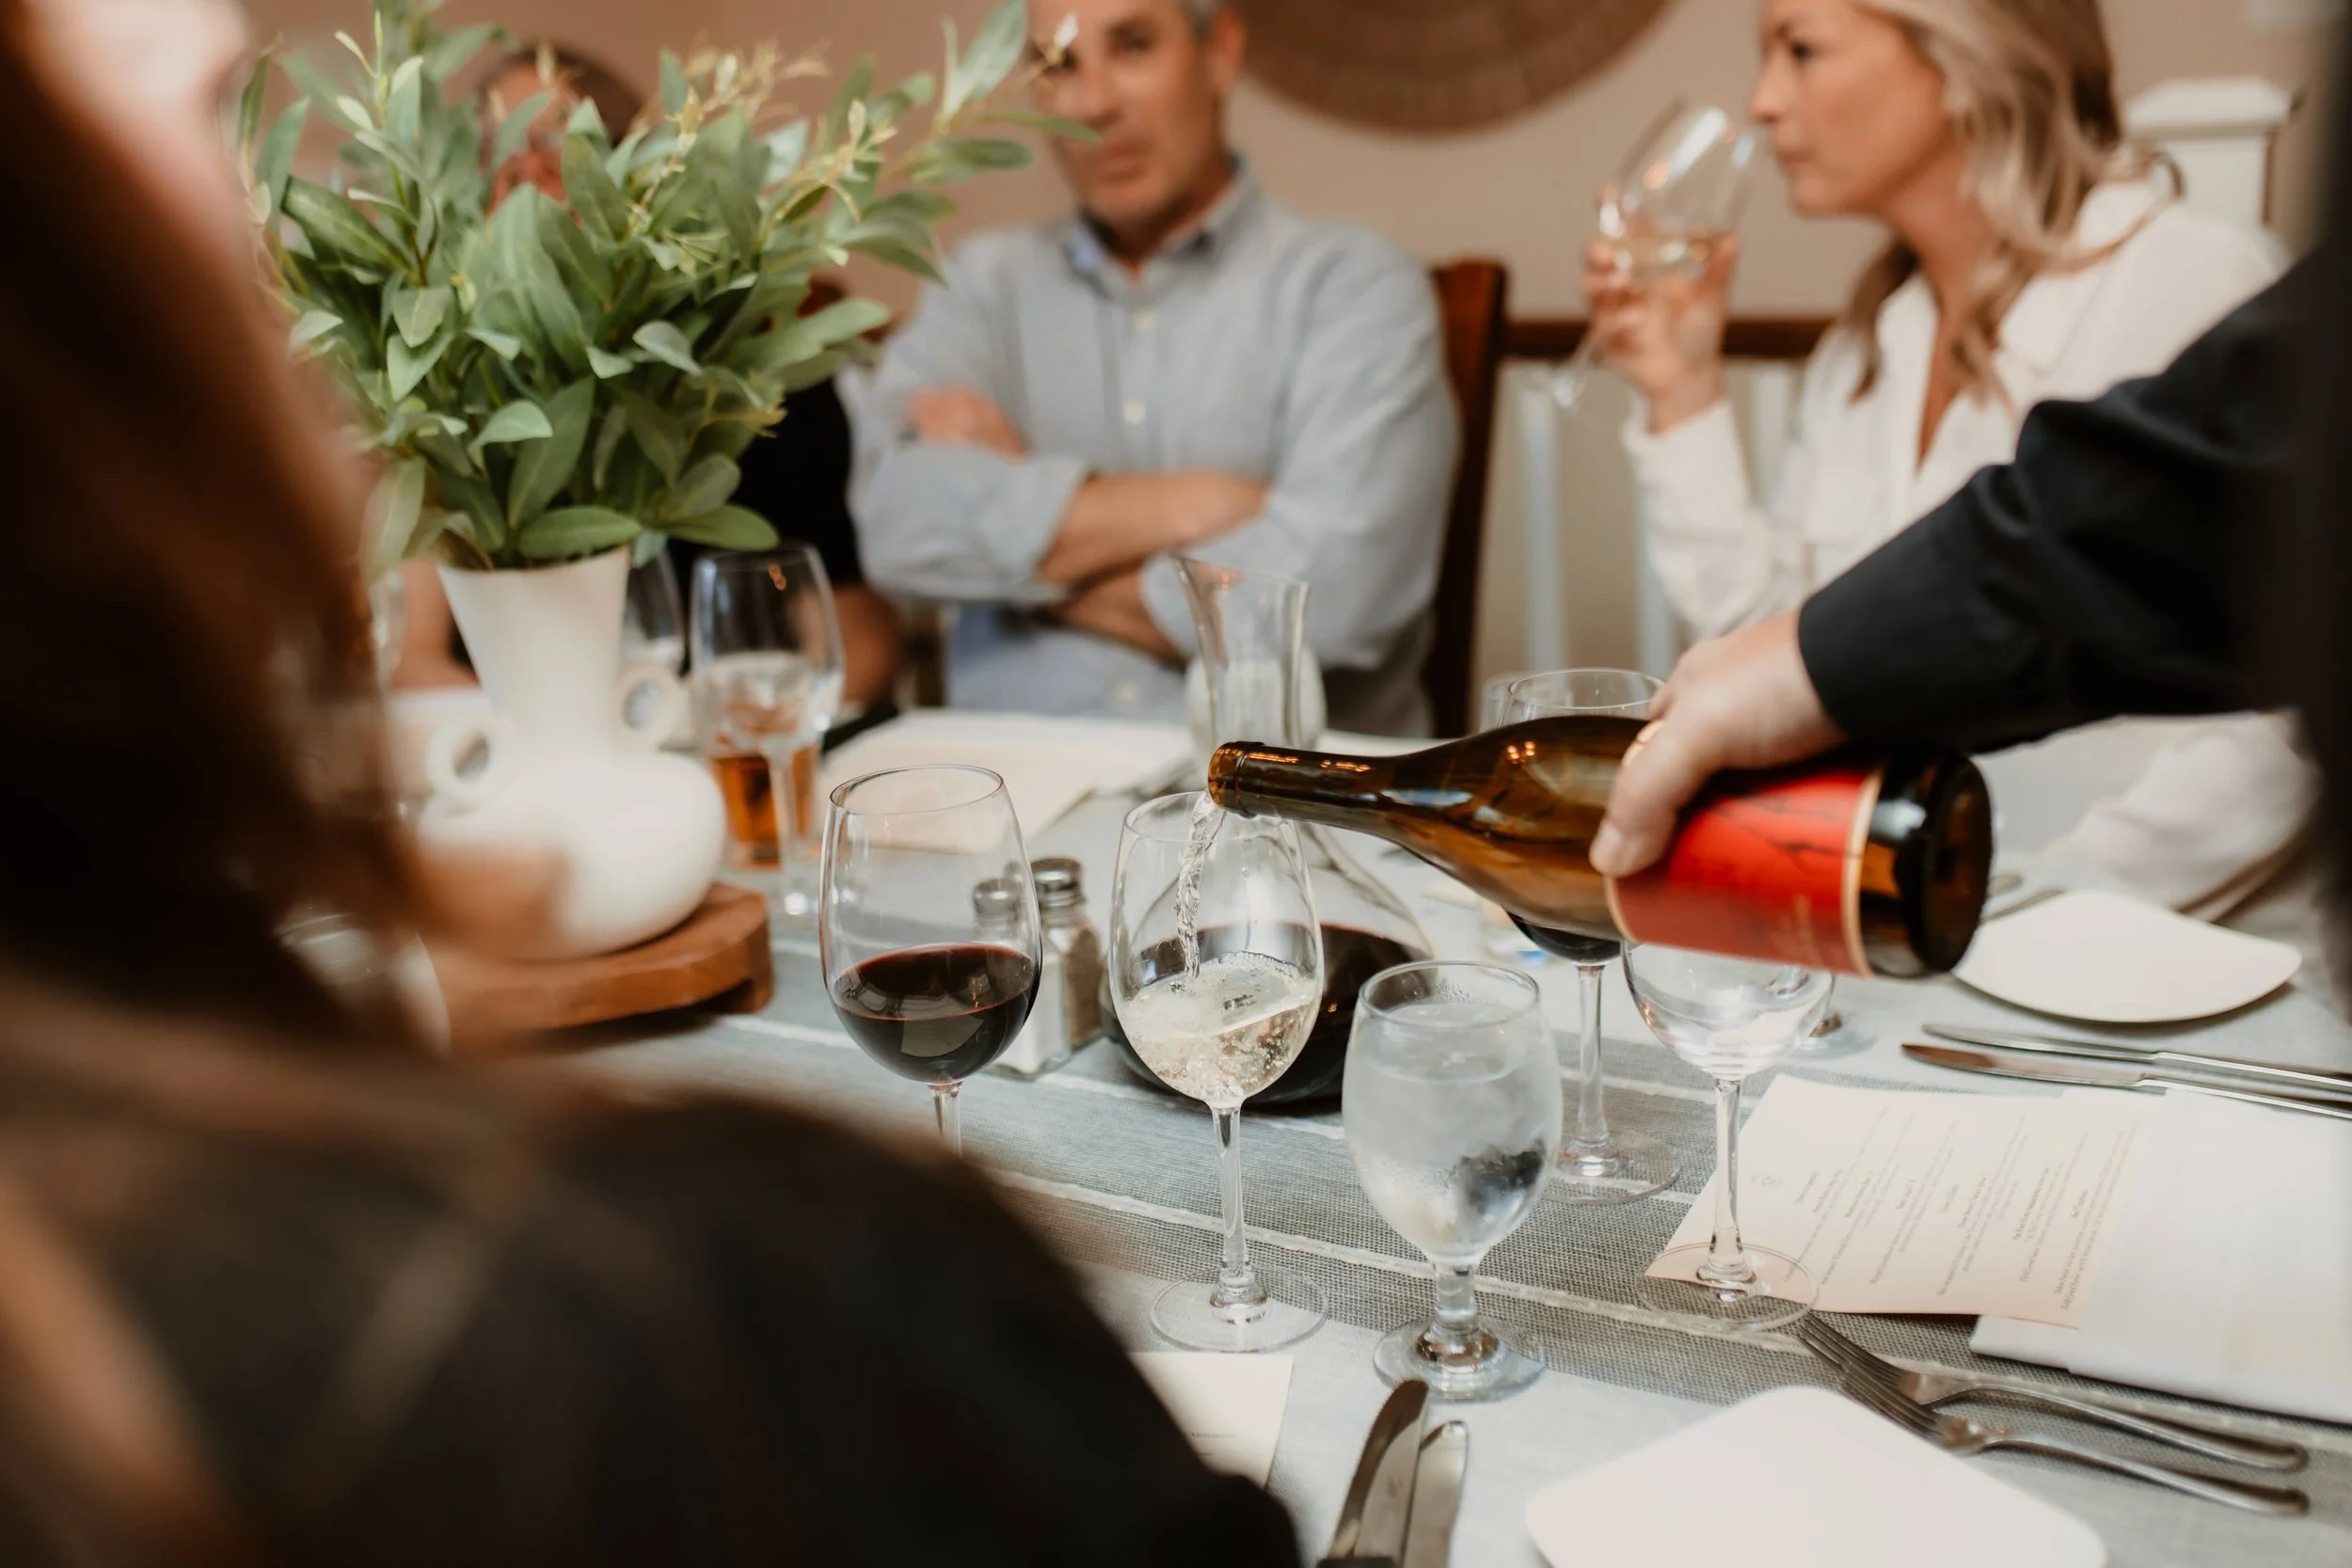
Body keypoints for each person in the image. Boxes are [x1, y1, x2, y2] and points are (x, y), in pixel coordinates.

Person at [0, 5, 1300, 1561]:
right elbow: (919, 526)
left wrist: (1015, 537)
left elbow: (918, 594)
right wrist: (1161, 528)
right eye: (221, 116)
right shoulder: (771, 1306)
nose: (298, 239)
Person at [1583, 0, 2312, 942]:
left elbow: (2283, 726)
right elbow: (1777, 664)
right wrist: (1680, 393)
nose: (1763, 101)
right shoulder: (1870, 341)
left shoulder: (2192, 284)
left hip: (2166, 968)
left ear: (1965, 55)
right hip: (1918, 947)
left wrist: (2018, 904)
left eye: (1800, 49)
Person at [851, 0, 1458, 733]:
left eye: (1133, 46)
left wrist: (1018, 558)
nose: (1094, 104)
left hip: (1287, 804)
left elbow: (1335, 597)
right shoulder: (980, 285)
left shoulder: (1358, 287)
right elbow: (892, 524)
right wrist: (1200, 505)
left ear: (1221, 53)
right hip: (1012, 791)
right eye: (1058, 66)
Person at [394, 46, 904, 712]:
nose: (522, 178)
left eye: (555, 147)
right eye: (497, 154)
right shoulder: (437, 393)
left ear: (636, 178)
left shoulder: (748, 371)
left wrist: (761, 732)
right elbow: (412, 662)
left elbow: (854, 640)